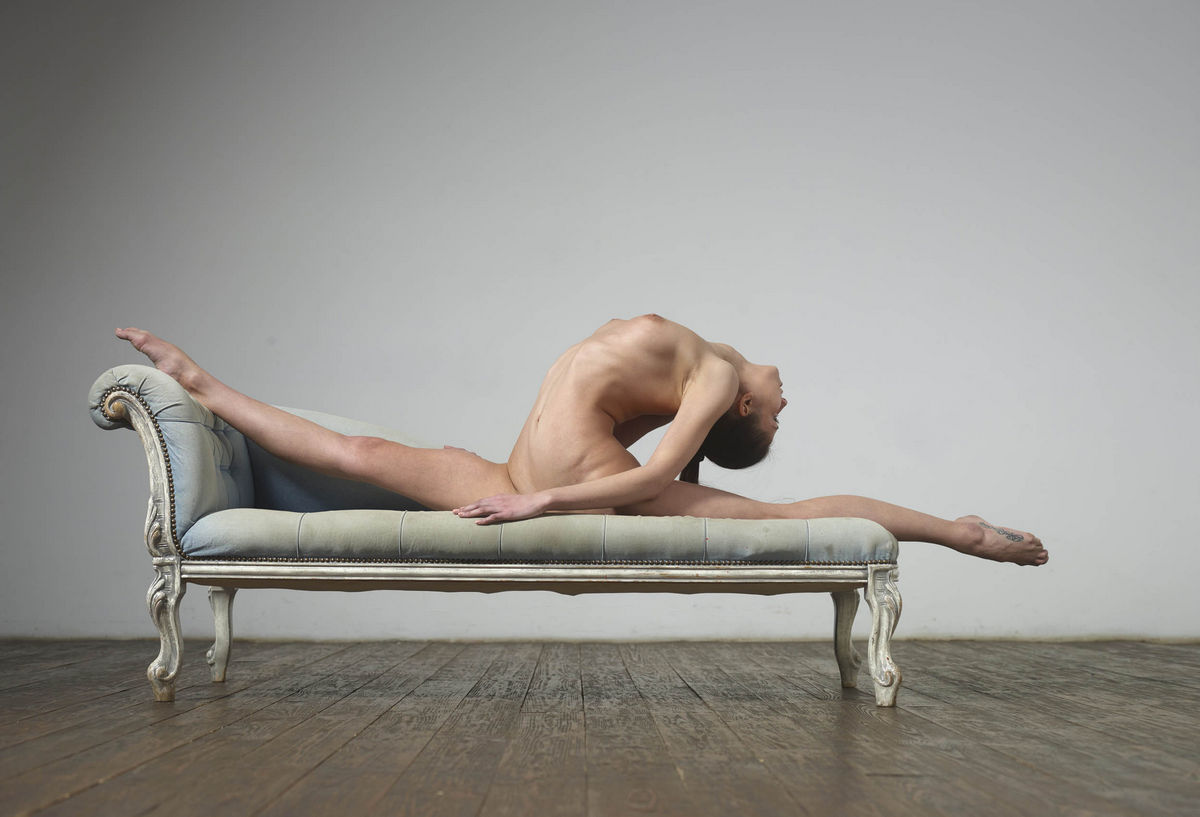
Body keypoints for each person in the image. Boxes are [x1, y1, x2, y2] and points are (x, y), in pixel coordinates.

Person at [115, 315, 1048, 565]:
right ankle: (205, 384)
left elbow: (655, 477)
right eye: (777, 413)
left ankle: (956, 529)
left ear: (738, 409)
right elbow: (664, 459)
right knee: (356, 454)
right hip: (519, 466)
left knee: (785, 517)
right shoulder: (706, 366)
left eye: (772, 415)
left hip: (554, 477)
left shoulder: (711, 378)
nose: (783, 403)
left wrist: (545, 500)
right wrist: (530, 483)